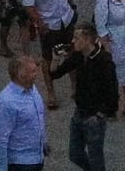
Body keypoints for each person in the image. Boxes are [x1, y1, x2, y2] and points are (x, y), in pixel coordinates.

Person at [50, 21, 117, 171]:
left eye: (76, 38)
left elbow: (112, 92)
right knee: (74, 154)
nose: (73, 41)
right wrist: (55, 58)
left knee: (96, 158)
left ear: (87, 39)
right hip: (79, 113)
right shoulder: (79, 57)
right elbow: (55, 73)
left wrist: (100, 114)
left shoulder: (104, 61)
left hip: (94, 117)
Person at [21, 0, 76, 113]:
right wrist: (40, 23)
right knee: (48, 58)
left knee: (71, 53)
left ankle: (75, 87)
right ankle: (51, 93)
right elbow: (28, 3)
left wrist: (72, 7)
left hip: (65, 18)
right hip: (49, 23)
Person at [0, 55, 48, 171]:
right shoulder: (7, 102)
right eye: (33, 72)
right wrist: (1, 168)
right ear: (21, 75)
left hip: (37, 158)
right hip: (19, 164)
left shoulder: (32, 89)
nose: (36, 74)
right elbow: (1, 139)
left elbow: (38, 119)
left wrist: (44, 143)